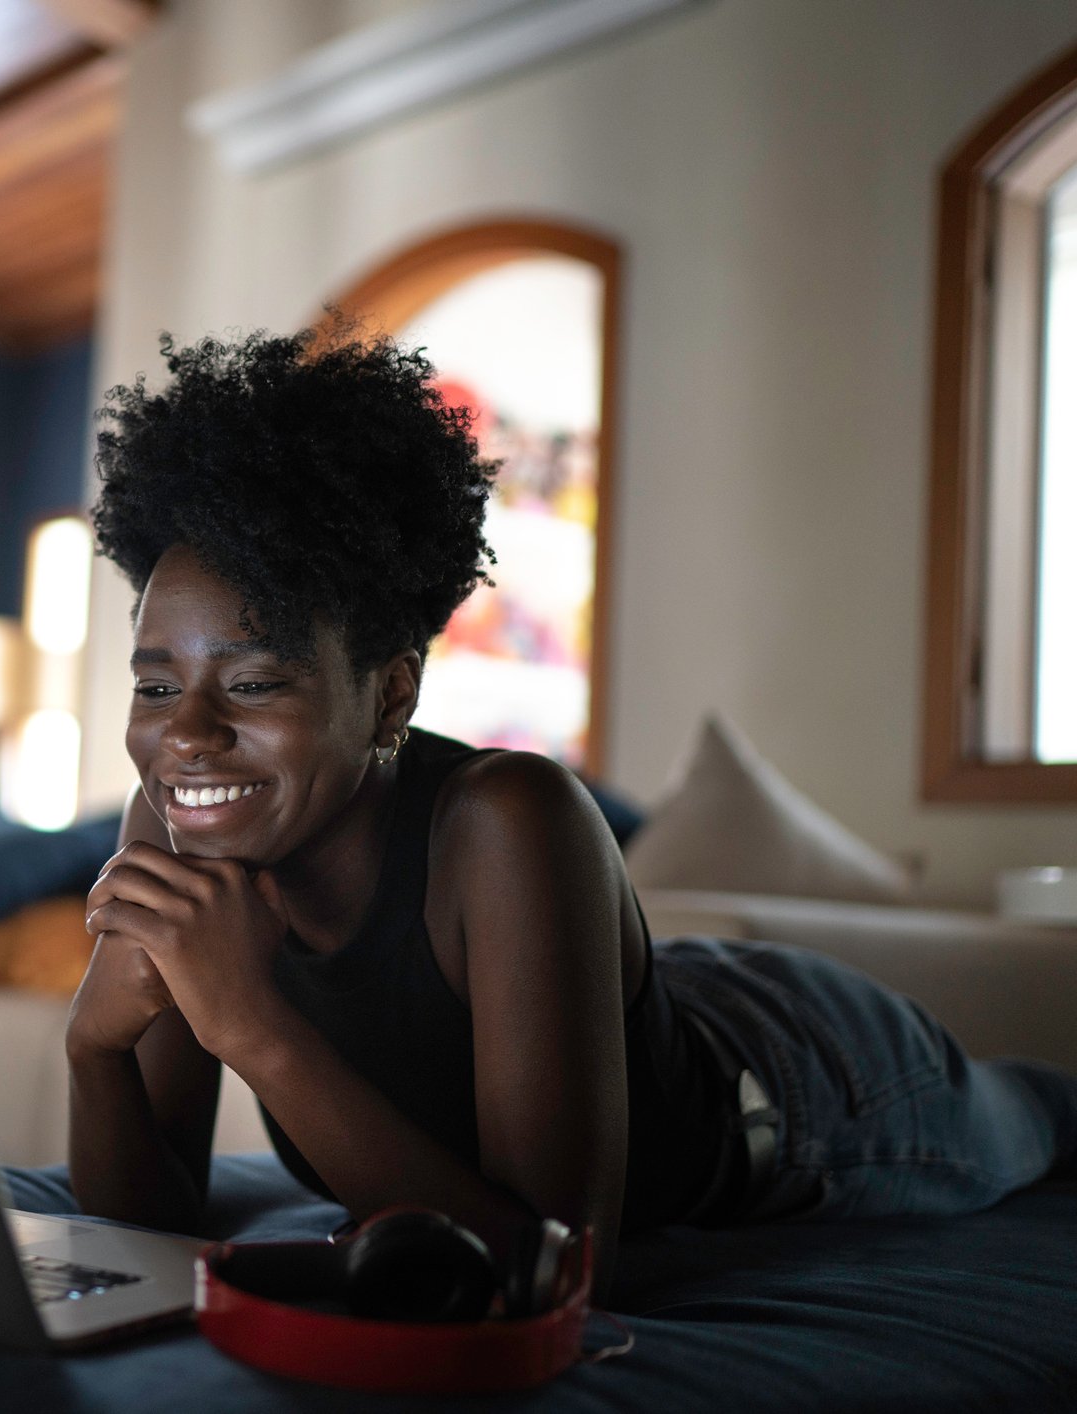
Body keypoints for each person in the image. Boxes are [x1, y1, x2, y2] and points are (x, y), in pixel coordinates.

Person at [61, 325, 1077, 1293]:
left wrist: (252, 1026)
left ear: (389, 695)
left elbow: (557, 1268)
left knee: (1044, 1115)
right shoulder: (181, 823)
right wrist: (92, 1047)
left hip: (810, 1082)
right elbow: (145, 1222)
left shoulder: (506, 818)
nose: (185, 734)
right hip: (638, 1005)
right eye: (155, 687)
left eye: (252, 683)